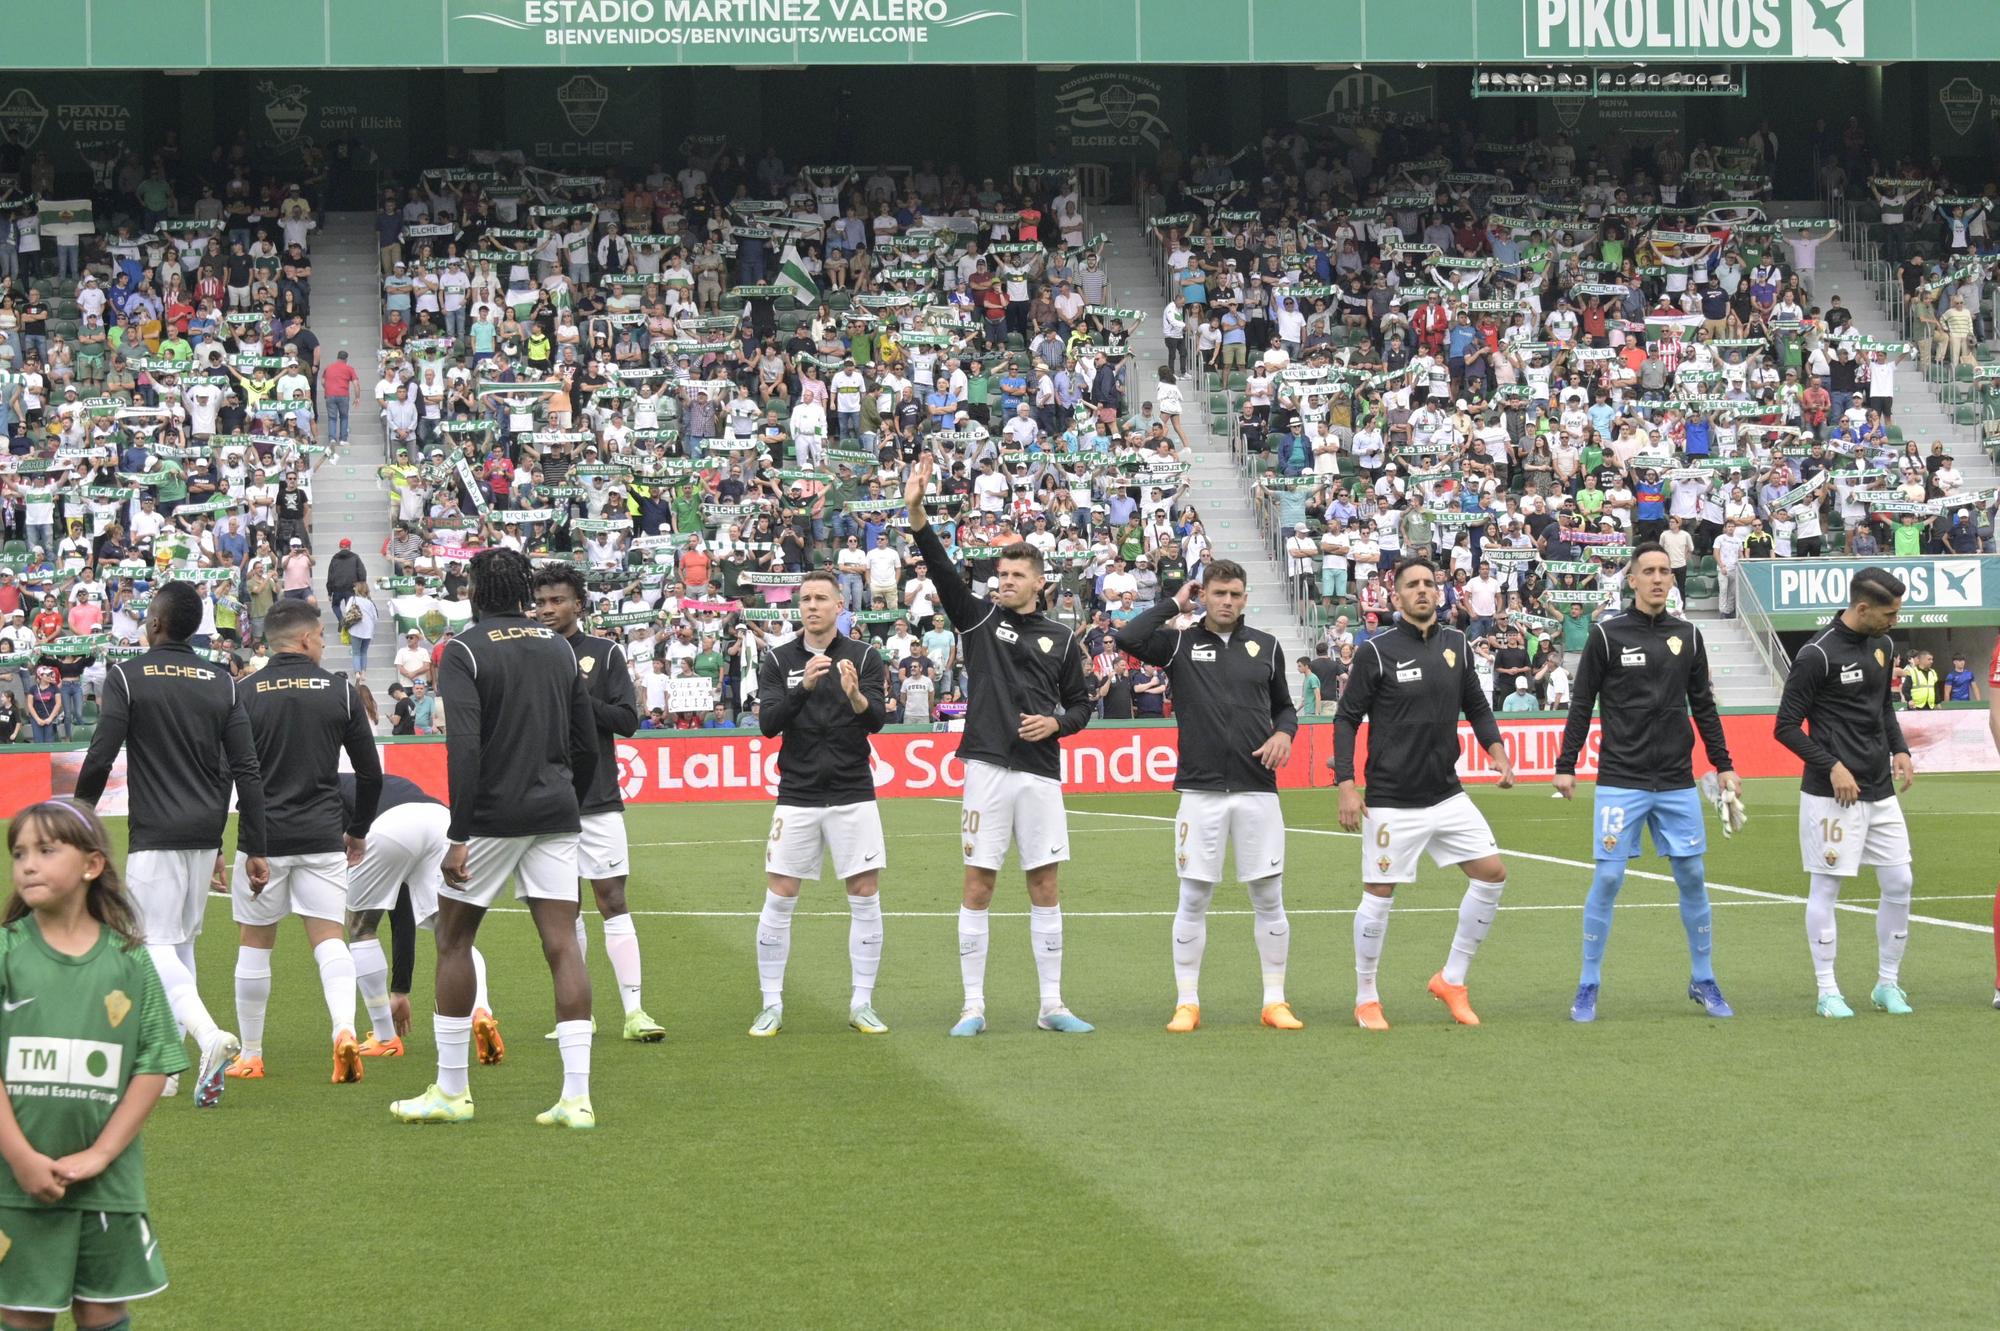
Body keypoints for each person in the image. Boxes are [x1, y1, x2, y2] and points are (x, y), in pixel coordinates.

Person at [389, 549, 598, 1128]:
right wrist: (566, 799)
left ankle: (452, 1091)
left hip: (492, 817)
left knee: (454, 940)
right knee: (563, 944)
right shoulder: (559, 646)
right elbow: (586, 744)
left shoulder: (462, 650)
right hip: (555, 811)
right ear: (525, 592)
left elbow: (465, 747)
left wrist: (460, 831)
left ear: (477, 590)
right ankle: (576, 1098)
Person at [905, 451, 1096, 1037]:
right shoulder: (979, 621)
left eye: (1016, 575)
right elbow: (940, 569)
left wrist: (1058, 726)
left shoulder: (1063, 639)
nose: (1005, 581)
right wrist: (916, 513)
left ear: (1039, 582)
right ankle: (972, 1006)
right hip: (987, 767)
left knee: (1044, 883)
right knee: (979, 882)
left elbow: (1083, 705)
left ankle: (1051, 1005)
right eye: (1001, 575)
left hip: (1040, 771)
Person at [73, 581, 269, 1108]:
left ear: (155, 624)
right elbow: (246, 769)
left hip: (156, 833)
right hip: (206, 835)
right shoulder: (221, 680)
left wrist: (78, 815)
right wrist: (255, 844)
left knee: (149, 942)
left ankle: (208, 1038)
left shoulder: (128, 676)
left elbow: (100, 754)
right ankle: (170, 1069)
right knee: (178, 943)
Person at [0, 800, 185, 1328]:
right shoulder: (6, 953)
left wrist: (102, 1154)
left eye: (45, 850)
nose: (28, 864)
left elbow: (155, 1063)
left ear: (92, 864)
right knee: (23, 1310)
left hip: (107, 1185)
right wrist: (20, 1157)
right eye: (18, 853)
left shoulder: (129, 960)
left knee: (103, 1309)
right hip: (14, 1183)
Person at [1553, 545, 1740, 1023]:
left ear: (1672, 580)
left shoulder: (1689, 636)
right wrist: (1566, 763)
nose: (1658, 579)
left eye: (1664, 572)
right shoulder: (1606, 635)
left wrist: (1723, 764)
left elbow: (1704, 707)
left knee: (1692, 876)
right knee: (1610, 876)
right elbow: (1581, 704)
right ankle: (1588, 983)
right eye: (1648, 572)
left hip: (1676, 780)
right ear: (1631, 580)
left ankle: (1703, 978)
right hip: (1621, 777)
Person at [1115, 561, 1301, 1032]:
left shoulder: (1268, 645)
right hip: (1200, 791)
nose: (1228, 601)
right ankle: (1187, 1002)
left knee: (1268, 896)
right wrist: (1174, 603)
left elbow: (1284, 707)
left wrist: (1285, 734)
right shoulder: (1178, 641)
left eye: (1236, 594)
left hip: (1258, 787)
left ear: (1244, 597)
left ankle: (1274, 1000)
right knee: (1194, 896)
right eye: (1219, 593)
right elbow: (1129, 639)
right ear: (1205, 595)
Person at [1332, 556, 1515, 1029]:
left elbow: (1475, 703)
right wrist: (1348, 785)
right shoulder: (1376, 651)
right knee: (1379, 893)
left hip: (1447, 794)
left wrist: (1496, 749)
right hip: (1392, 799)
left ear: (1439, 593)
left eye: (1428, 584)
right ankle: (1366, 996)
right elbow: (1347, 718)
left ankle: (1452, 979)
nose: (1421, 591)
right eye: (1411, 585)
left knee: (1492, 874)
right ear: (1396, 597)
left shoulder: (1457, 643)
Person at [221, 599, 382, 1084]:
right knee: (330, 939)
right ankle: (345, 1031)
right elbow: (370, 774)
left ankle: (251, 1053)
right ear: (308, 639)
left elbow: (224, 772)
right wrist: (357, 830)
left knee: (255, 942)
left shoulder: (242, 691)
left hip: (262, 839)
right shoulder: (341, 690)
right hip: (321, 836)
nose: (325, 644)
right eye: (323, 637)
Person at [1774, 567, 1918, 1019]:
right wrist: (1832, 765)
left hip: (1880, 788)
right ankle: (1827, 990)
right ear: (1862, 608)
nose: (1895, 620)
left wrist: (1900, 749)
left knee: (1901, 882)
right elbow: (1784, 727)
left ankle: (1887, 985)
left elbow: (1883, 705)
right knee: (1827, 888)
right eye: (1889, 613)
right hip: (1831, 795)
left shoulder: (1884, 644)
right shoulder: (1817, 654)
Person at [752, 568, 890, 1037]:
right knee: (780, 895)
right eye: (805, 599)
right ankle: (771, 1004)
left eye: (821, 598)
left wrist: (854, 696)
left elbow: (878, 722)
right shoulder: (777, 660)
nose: (812, 606)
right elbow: (769, 723)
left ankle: (862, 1003)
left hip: (853, 791)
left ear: (839, 606)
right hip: (798, 794)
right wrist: (803, 687)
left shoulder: (865, 655)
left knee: (865, 896)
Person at [531, 564, 664, 1043]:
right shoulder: (526, 652)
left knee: (612, 900)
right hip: (544, 801)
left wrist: (575, 697)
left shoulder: (604, 654)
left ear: (578, 605)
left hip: (597, 798)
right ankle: (579, 1013)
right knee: (562, 913)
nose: (548, 610)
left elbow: (628, 720)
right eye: (541, 602)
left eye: (557, 601)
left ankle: (635, 1012)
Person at [339, 772, 497, 1059]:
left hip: (390, 826)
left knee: (361, 926)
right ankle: (481, 1010)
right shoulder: (386, 782)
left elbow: (397, 908)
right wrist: (401, 990)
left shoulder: (329, 793)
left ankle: (385, 1036)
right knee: (452, 932)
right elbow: (402, 910)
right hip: (440, 821)